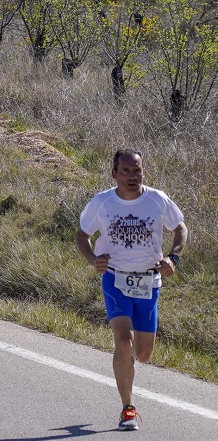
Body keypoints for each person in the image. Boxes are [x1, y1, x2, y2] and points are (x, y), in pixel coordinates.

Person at [75, 149, 187, 431]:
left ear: (143, 172)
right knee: (123, 339)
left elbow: (180, 228)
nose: (131, 176)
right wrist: (93, 260)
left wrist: (173, 257)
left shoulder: (157, 199)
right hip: (115, 279)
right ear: (113, 174)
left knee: (144, 353)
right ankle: (127, 408)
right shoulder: (102, 202)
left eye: (136, 170)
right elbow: (82, 234)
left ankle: (128, 364)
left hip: (149, 281)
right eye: (125, 171)